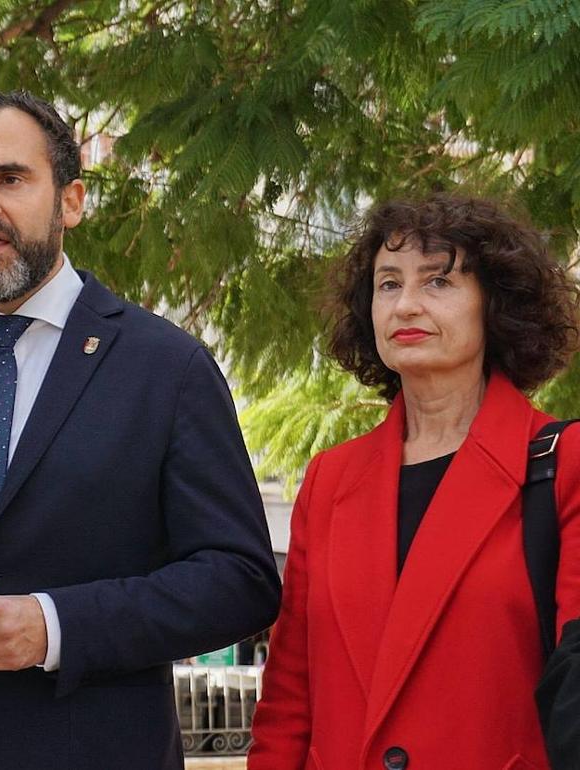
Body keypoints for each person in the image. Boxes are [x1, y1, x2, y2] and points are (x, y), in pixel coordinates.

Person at [0, 88, 281, 770]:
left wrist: (54, 627)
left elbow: (239, 580)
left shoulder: (167, 368)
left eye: (9, 178)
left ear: (71, 201)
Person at [248, 194, 580, 769]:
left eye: (438, 281)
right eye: (388, 284)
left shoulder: (565, 463)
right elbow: (289, 703)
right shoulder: (329, 479)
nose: (405, 305)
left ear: (495, 304)